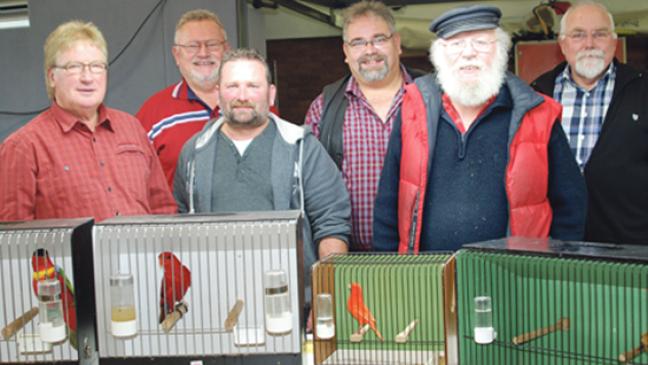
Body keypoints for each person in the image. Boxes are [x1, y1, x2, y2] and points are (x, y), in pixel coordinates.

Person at [373, 5, 587, 253]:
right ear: (439, 56)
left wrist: (554, 271)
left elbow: (571, 205)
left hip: (514, 279)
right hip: (427, 278)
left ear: (500, 50)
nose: (468, 54)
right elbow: (388, 203)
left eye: (481, 43)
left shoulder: (538, 115)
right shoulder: (413, 109)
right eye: (456, 44)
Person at [174, 48, 350, 300]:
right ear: (218, 93)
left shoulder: (302, 147)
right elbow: (183, 225)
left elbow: (331, 225)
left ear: (271, 94)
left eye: (253, 86)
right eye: (232, 86)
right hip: (214, 299)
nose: (242, 96)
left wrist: (327, 297)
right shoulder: (194, 152)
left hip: (292, 299)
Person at [0, 21, 176, 222]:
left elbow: (163, 209)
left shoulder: (132, 128)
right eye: (74, 67)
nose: (88, 77)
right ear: (51, 77)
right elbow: (15, 240)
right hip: (73, 255)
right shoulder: (23, 147)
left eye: (96, 66)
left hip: (140, 253)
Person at [304, 0, 420, 251]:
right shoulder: (323, 109)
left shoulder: (431, 98)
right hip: (352, 262)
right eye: (358, 42)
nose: (370, 50)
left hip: (427, 259)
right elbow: (311, 193)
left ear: (397, 43)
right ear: (346, 52)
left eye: (379, 39)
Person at [532, 1, 648, 245]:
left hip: (630, 249)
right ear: (563, 44)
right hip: (555, 248)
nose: (589, 44)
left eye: (600, 34)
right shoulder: (535, 96)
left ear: (614, 41)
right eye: (578, 35)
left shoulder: (642, 90)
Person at [137, 9, 229, 188]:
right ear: (176, 55)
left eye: (212, 44)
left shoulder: (252, 104)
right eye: (192, 46)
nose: (203, 53)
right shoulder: (153, 114)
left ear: (226, 50)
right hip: (178, 216)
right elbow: (137, 183)